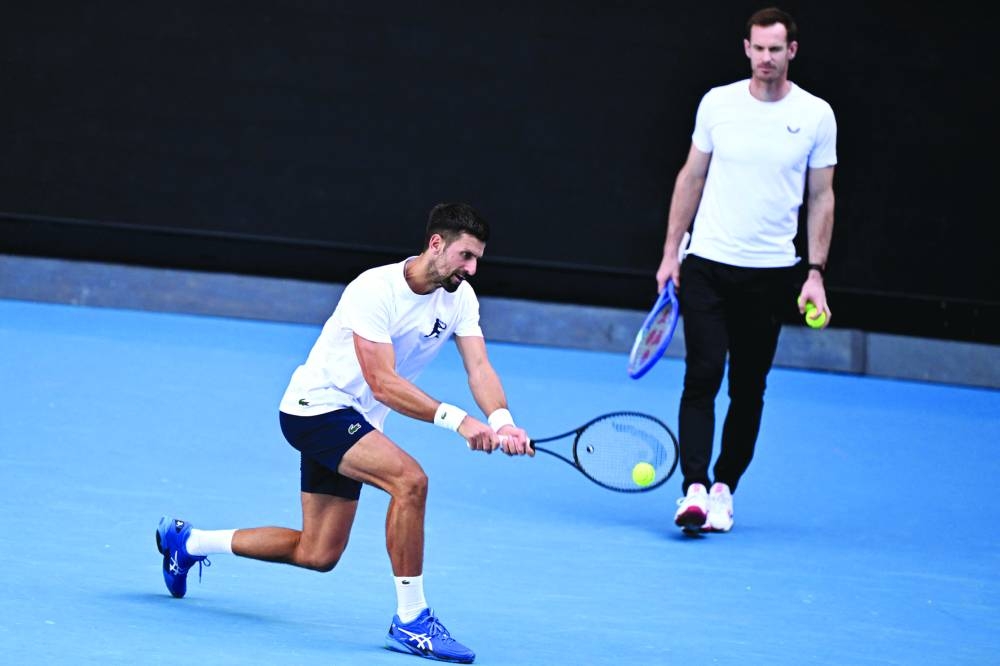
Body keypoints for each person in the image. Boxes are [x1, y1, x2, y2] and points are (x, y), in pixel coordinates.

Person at [155, 202, 532, 664]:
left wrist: (501, 421)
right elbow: (382, 382)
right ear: (436, 244)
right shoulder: (374, 289)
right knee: (410, 482)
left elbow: (480, 368)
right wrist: (459, 422)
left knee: (318, 553)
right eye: (465, 256)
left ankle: (186, 542)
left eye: (477, 260)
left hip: (357, 421)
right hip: (316, 409)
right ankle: (412, 621)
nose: (472, 269)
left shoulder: (462, 299)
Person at [654, 7, 836, 535]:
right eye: (758, 48)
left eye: (775, 49)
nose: (765, 59)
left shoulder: (816, 115)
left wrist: (815, 271)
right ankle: (692, 489)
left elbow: (822, 196)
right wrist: (672, 252)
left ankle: (723, 488)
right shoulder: (718, 103)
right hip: (708, 263)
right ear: (747, 49)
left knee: (749, 387)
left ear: (791, 52)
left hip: (772, 272)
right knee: (703, 373)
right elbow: (691, 177)